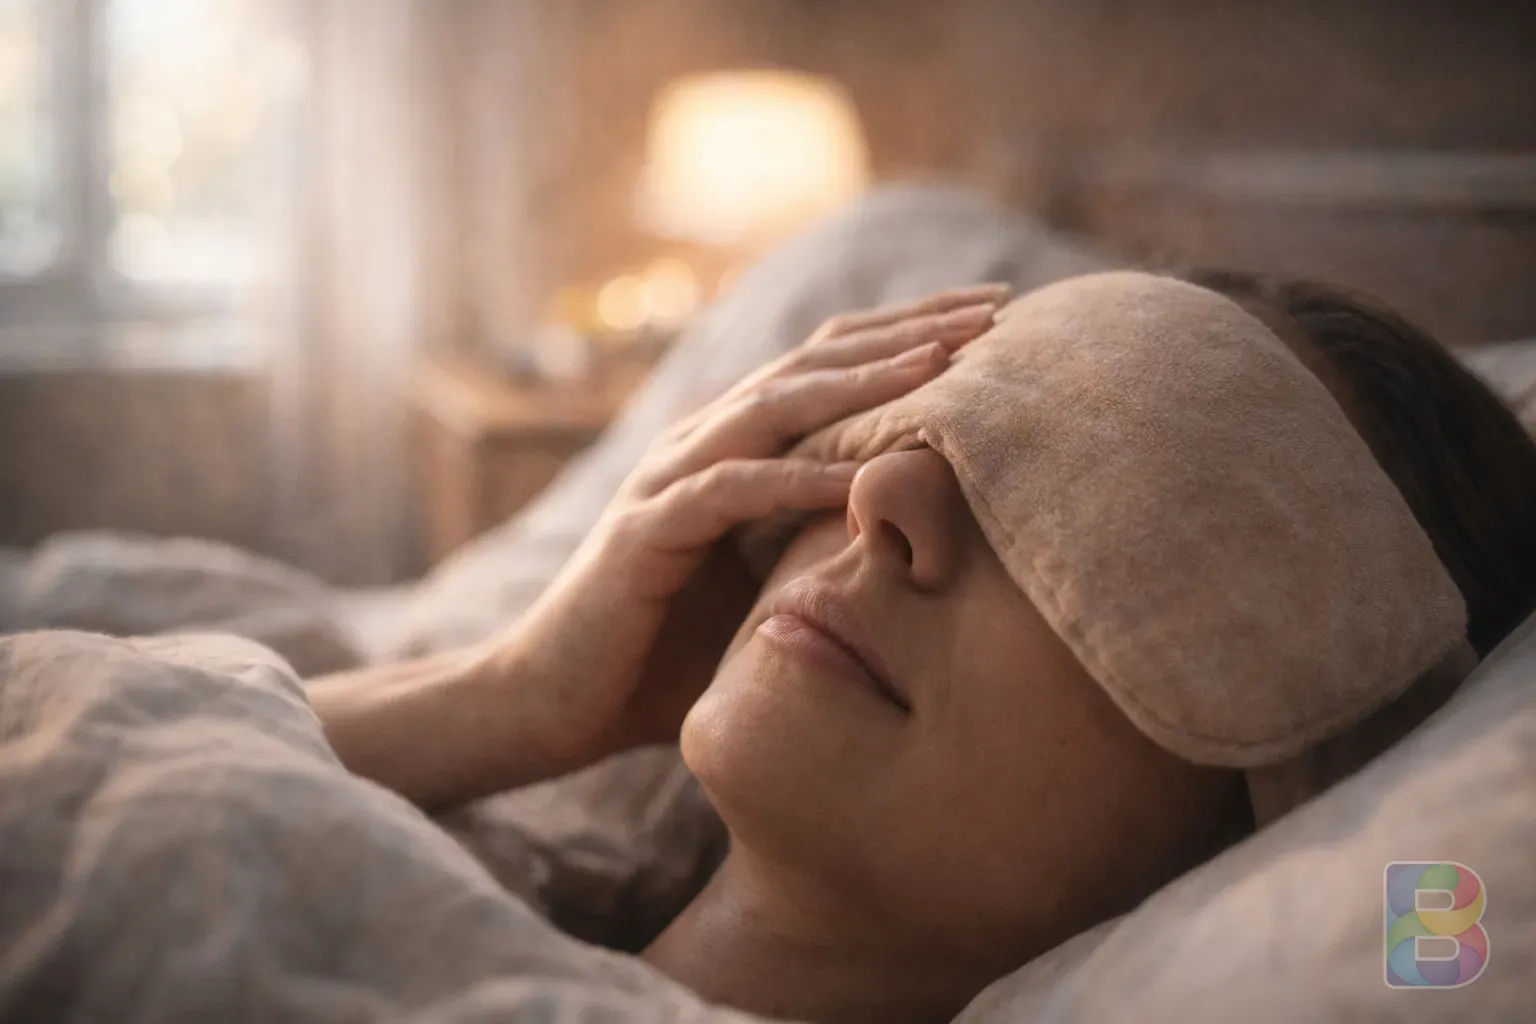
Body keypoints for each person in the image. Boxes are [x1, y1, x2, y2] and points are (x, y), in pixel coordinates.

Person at [308, 273, 1536, 1024]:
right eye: (927, 421)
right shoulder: (446, 884)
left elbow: (1443, 947)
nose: (882, 492)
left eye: (1099, 504)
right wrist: (505, 697)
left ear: (1304, 767)